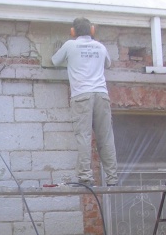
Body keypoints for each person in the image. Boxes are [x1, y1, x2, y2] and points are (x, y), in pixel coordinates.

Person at [51, 17, 119, 186]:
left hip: (82, 95)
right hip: (101, 95)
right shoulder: (100, 47)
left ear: (73, 32)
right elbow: (108, 64)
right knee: (106, 137)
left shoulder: (69, 45)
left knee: (84, 135)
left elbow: (54, 61)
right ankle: (112, 177)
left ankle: (85, 176)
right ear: (92, 30)